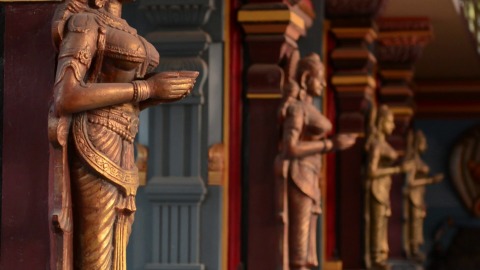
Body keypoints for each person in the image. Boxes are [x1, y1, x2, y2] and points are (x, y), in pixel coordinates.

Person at [49, 0, 197, 268]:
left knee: (121, 235)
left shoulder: (125, 28)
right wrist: (147, 90)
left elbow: (125, 94)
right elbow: (66, 96)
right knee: (98, 250)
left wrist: (159, 93)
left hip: (125, 139)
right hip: (95, 139)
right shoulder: (86, 23)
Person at [275, 53, 357, 269]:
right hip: (299, 176)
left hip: (311, 175)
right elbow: (289, 147)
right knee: (298, 249)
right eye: (318, 78)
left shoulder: (311, 108)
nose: (322, 83)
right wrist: (329, 145)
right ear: (304, 80)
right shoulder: (297, 109)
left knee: (309, 243)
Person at [365, 105, 413, 270]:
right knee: (377, 222)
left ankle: (381, 255)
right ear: (381, 122)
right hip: (376, 187)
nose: (392, 126)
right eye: (390, 122)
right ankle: (375, 257)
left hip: (384, 187)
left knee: (383, 220)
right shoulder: (377, 144)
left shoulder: (384, 143)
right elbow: (371, 172)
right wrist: (397, 169)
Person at [404, 130, 443, 262]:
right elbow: (410, 182)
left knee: (417, 224)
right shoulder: (413, 161)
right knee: (413, 224)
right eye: (423, 142)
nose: (425, 145)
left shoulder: (418, 160)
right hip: (413, 196)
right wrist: (431, 181)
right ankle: (413, 249)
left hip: (419, 196)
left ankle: (415, 250)